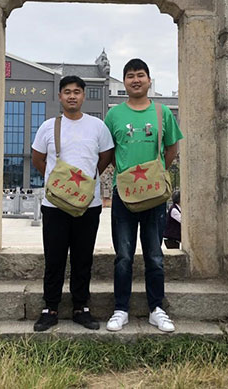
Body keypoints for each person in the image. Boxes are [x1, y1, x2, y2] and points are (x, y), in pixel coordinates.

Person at [104, 59, 183, 333]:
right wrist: (123, 175)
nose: (135, 80)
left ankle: (156, 309)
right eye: (130, 76)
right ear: (124, 81)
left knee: (154, 255)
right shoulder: (114, 115)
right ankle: (120, 309)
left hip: (155, 196)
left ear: (149, 80)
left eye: (140, 75)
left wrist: (154, 174)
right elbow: (109, 152)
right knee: (123, 255)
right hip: (123, 195)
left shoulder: (162, 112)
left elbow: (171, 148)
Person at [31, 75, 114, 332]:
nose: (72, 96)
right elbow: (38, 159)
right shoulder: (48, 126)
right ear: (60, 96)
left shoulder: (97, 126)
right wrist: (59, 184)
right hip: (55, 205)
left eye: (77, 91)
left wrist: (85, 184)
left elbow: (105, 157)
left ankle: (81, 307)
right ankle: (50, 308)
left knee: (83, 258)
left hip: (88, 204)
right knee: (54, 257)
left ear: (83, 96)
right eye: (67, 92)